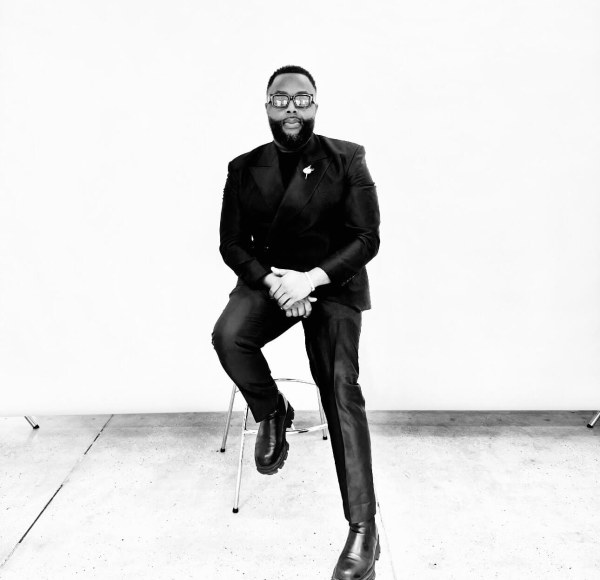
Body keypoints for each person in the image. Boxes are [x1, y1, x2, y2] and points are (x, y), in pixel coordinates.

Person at [212, 64, 381, 580]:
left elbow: (366, 238)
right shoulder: (243, 168)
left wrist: (310, 280)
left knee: (339, 388)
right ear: (266, 105)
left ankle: (363, 529)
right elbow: (231, 244)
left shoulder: (347, 158)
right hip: (272, 283)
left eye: (301, 98)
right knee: (229, 336)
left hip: (331, 284)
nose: (291, 108)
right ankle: (273, 410)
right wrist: (274, 283)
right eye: (279, 99)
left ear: (316, 103)